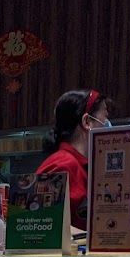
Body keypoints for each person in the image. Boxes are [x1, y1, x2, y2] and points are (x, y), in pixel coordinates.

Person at [36, 89, 111, 230]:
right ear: (87, 121)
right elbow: (43, 227)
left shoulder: (83, 166)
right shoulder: (61, 165)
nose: (107, 124)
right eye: (104, 118)